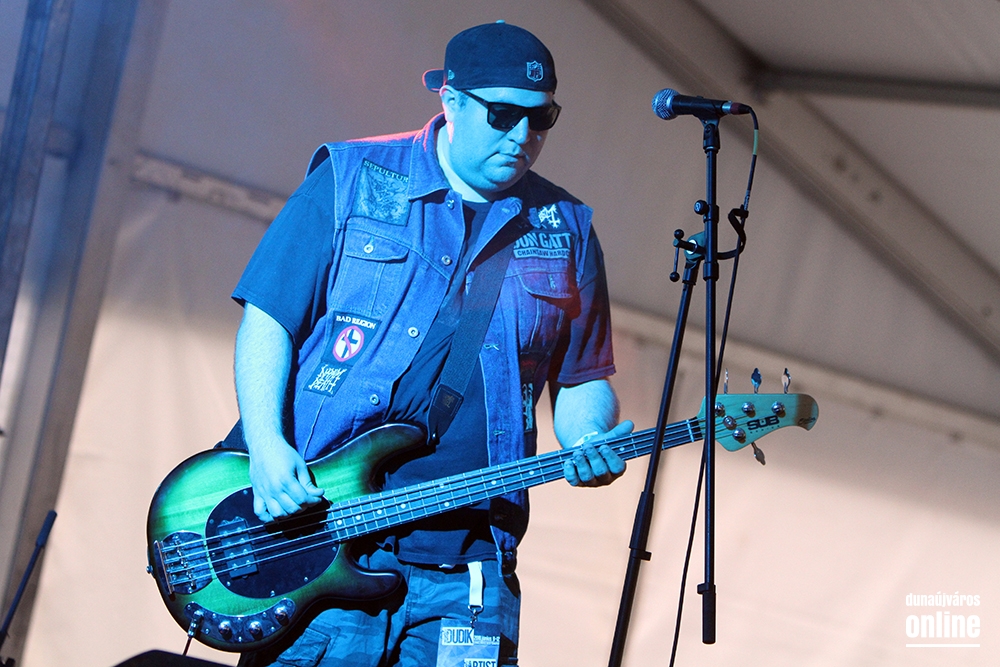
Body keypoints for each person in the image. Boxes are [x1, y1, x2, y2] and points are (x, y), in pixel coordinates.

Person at [232, 21, 632, 667]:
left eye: (541, 118)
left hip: (470, 566)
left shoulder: (567, 228)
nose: (522, 136)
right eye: (502, 115)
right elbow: (268, 317)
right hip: (323, 539)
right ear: (450, 98)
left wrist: (589, 438)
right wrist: (265, 446)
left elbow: (583, 376)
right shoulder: (352, 175)